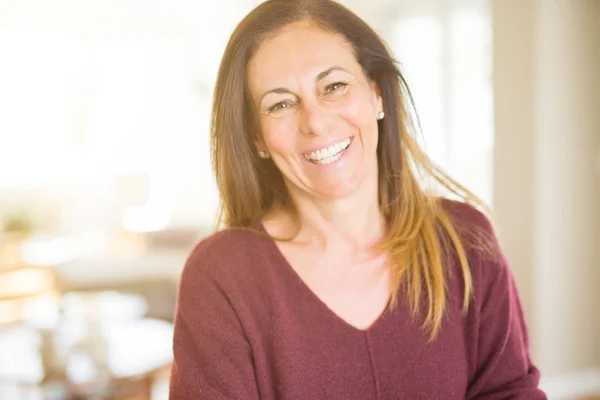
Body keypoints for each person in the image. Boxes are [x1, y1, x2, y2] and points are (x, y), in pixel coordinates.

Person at [169, 0, 547, 398]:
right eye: (280, 103)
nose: (314, 121)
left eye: (333, 86)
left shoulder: (464, 241)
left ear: (377, 94)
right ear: (257, 138)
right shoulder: (222, 275)